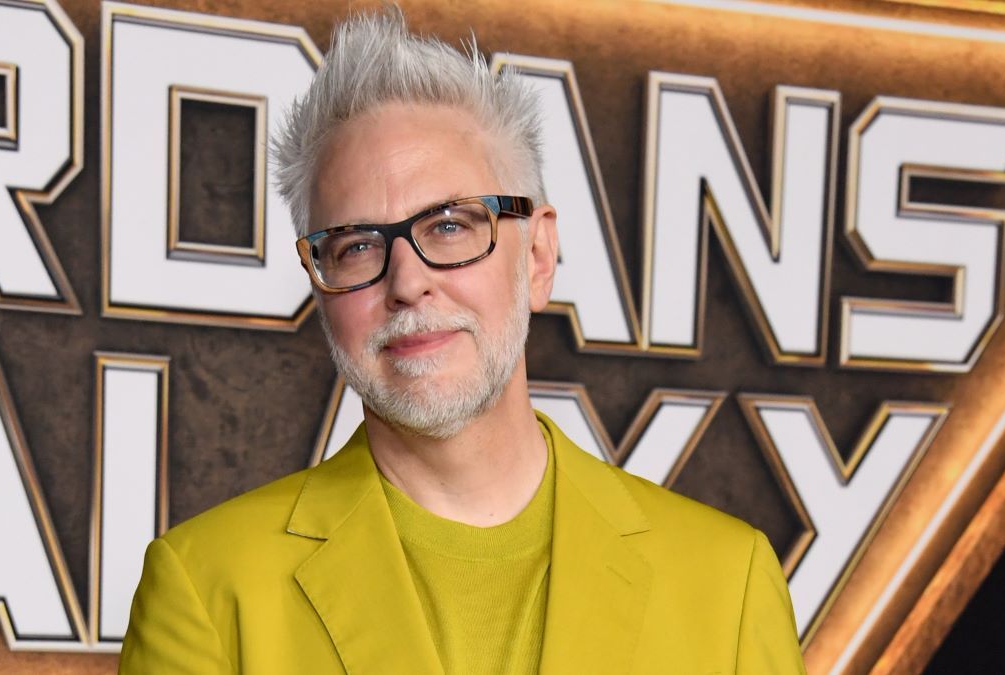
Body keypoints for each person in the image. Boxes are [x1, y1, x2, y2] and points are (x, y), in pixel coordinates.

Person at [119, 8, 806, 674]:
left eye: (450, 225)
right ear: (318, 280)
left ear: (536, 256)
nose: (408, 281)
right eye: (358, 244)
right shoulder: (207, 589)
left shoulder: (729, 582)